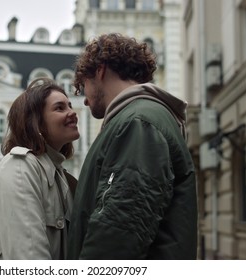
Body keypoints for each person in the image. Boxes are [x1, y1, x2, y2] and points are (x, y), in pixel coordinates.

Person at [67, 33, 197, 259]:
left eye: (83, 85)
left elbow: (119, 228)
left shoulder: (137, 123)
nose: (85, 100)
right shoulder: (138, 119)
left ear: (100, 71)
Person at [0, 78, 80, 260]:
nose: (72, 113)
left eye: (70, 106)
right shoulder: (20, 167)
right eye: (60, 108)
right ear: (36, 123)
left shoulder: (60, 176)